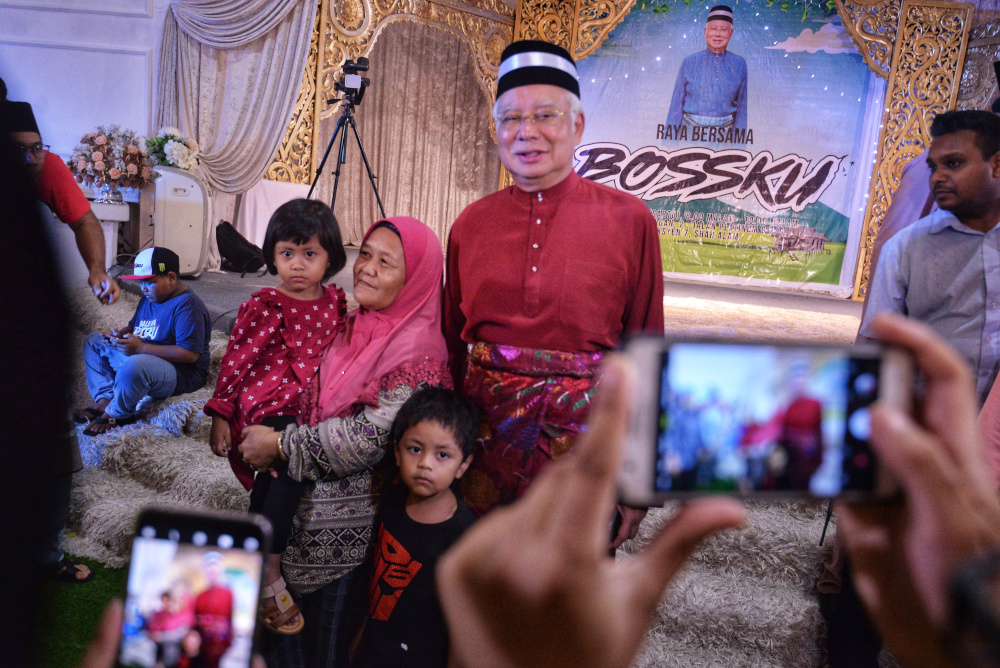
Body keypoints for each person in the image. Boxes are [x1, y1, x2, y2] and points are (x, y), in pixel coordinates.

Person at [443, 40, 664, 546]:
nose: (526, 133)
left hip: (581, 463)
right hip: (478, 456)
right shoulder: (470, 224)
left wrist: (635, 482)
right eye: (510, 119)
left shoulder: (631, 220)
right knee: (475, 600)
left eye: (545, 115)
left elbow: (648, 352)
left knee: (563, 606)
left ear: (577, 125)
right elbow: (449, 346)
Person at [238, 217, 453, 667]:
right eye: (366, 255)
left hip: (346, 534)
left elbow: (366, 439)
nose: (367, 269)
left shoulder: (420, 352)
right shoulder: (347, 323)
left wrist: (280, 445)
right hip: (291, 512)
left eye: (386, 262)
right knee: (281, 647)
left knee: (328, 650)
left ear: (414, 278)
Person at [205, 199, 348, 636]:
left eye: (310, 254)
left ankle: (251, 550)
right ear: (272, 255)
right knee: (289, 454)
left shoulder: (337, 303)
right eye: (287, 254)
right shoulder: (265, 304)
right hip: (269, 403)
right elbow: (234, 362)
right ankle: (269, 565)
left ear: (331, 258)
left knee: (276, 476)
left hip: (314, 404)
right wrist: (221, 415)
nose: (298, 266)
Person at [861, 110, 1000, 405]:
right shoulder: (905, 249)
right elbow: (874, 351)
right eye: (933, 167)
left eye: (953, 164)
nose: (937, 177)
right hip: (927, 415)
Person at [350, 388, 478, 667]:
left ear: (463, 465)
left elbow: (462, 624)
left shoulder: (462, 536)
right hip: (375, 647)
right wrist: (361, 635)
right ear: (397, 453)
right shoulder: (393, 501)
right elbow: (379, 583)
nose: (424, 464)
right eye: (415, 449)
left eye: (442, 455)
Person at [77, 246, 211, 435]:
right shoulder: (150, 298)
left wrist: (141, 349)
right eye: (140, 283)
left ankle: (119, 414)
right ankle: (105, 401)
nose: (144, 288)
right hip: (145, 360)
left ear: (171, 277)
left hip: (182, 373)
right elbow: (134, 327)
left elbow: (190, 355)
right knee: (94, 341)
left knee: (135, 365)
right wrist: (118, 336)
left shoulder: (188, 306)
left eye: (149, 281)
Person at [0, 99, 120, 304]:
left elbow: (85, 222)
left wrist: (97, 271)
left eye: (36, 148)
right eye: (18, 149)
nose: (30, 159)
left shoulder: (48, 166)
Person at [665, 5, 748, 134]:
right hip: (690, 132)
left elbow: (742, 108)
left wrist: (739, 147)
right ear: (705, 32)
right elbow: (676, 103)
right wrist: (669, 143)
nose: (718, 34)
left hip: (724, 134)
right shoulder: (689, 62)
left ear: (730, 34)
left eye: (724, 29)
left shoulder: (739, 63)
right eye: (713, 29)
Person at [193, 552, 233, 668]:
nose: (212, 573)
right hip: (203, 647)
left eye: (215, 570)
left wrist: (229, 643)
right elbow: (197, 621)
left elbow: (230, 620)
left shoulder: (228, 594)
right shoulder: (200, 596)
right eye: (210, 570)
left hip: (221, 646)